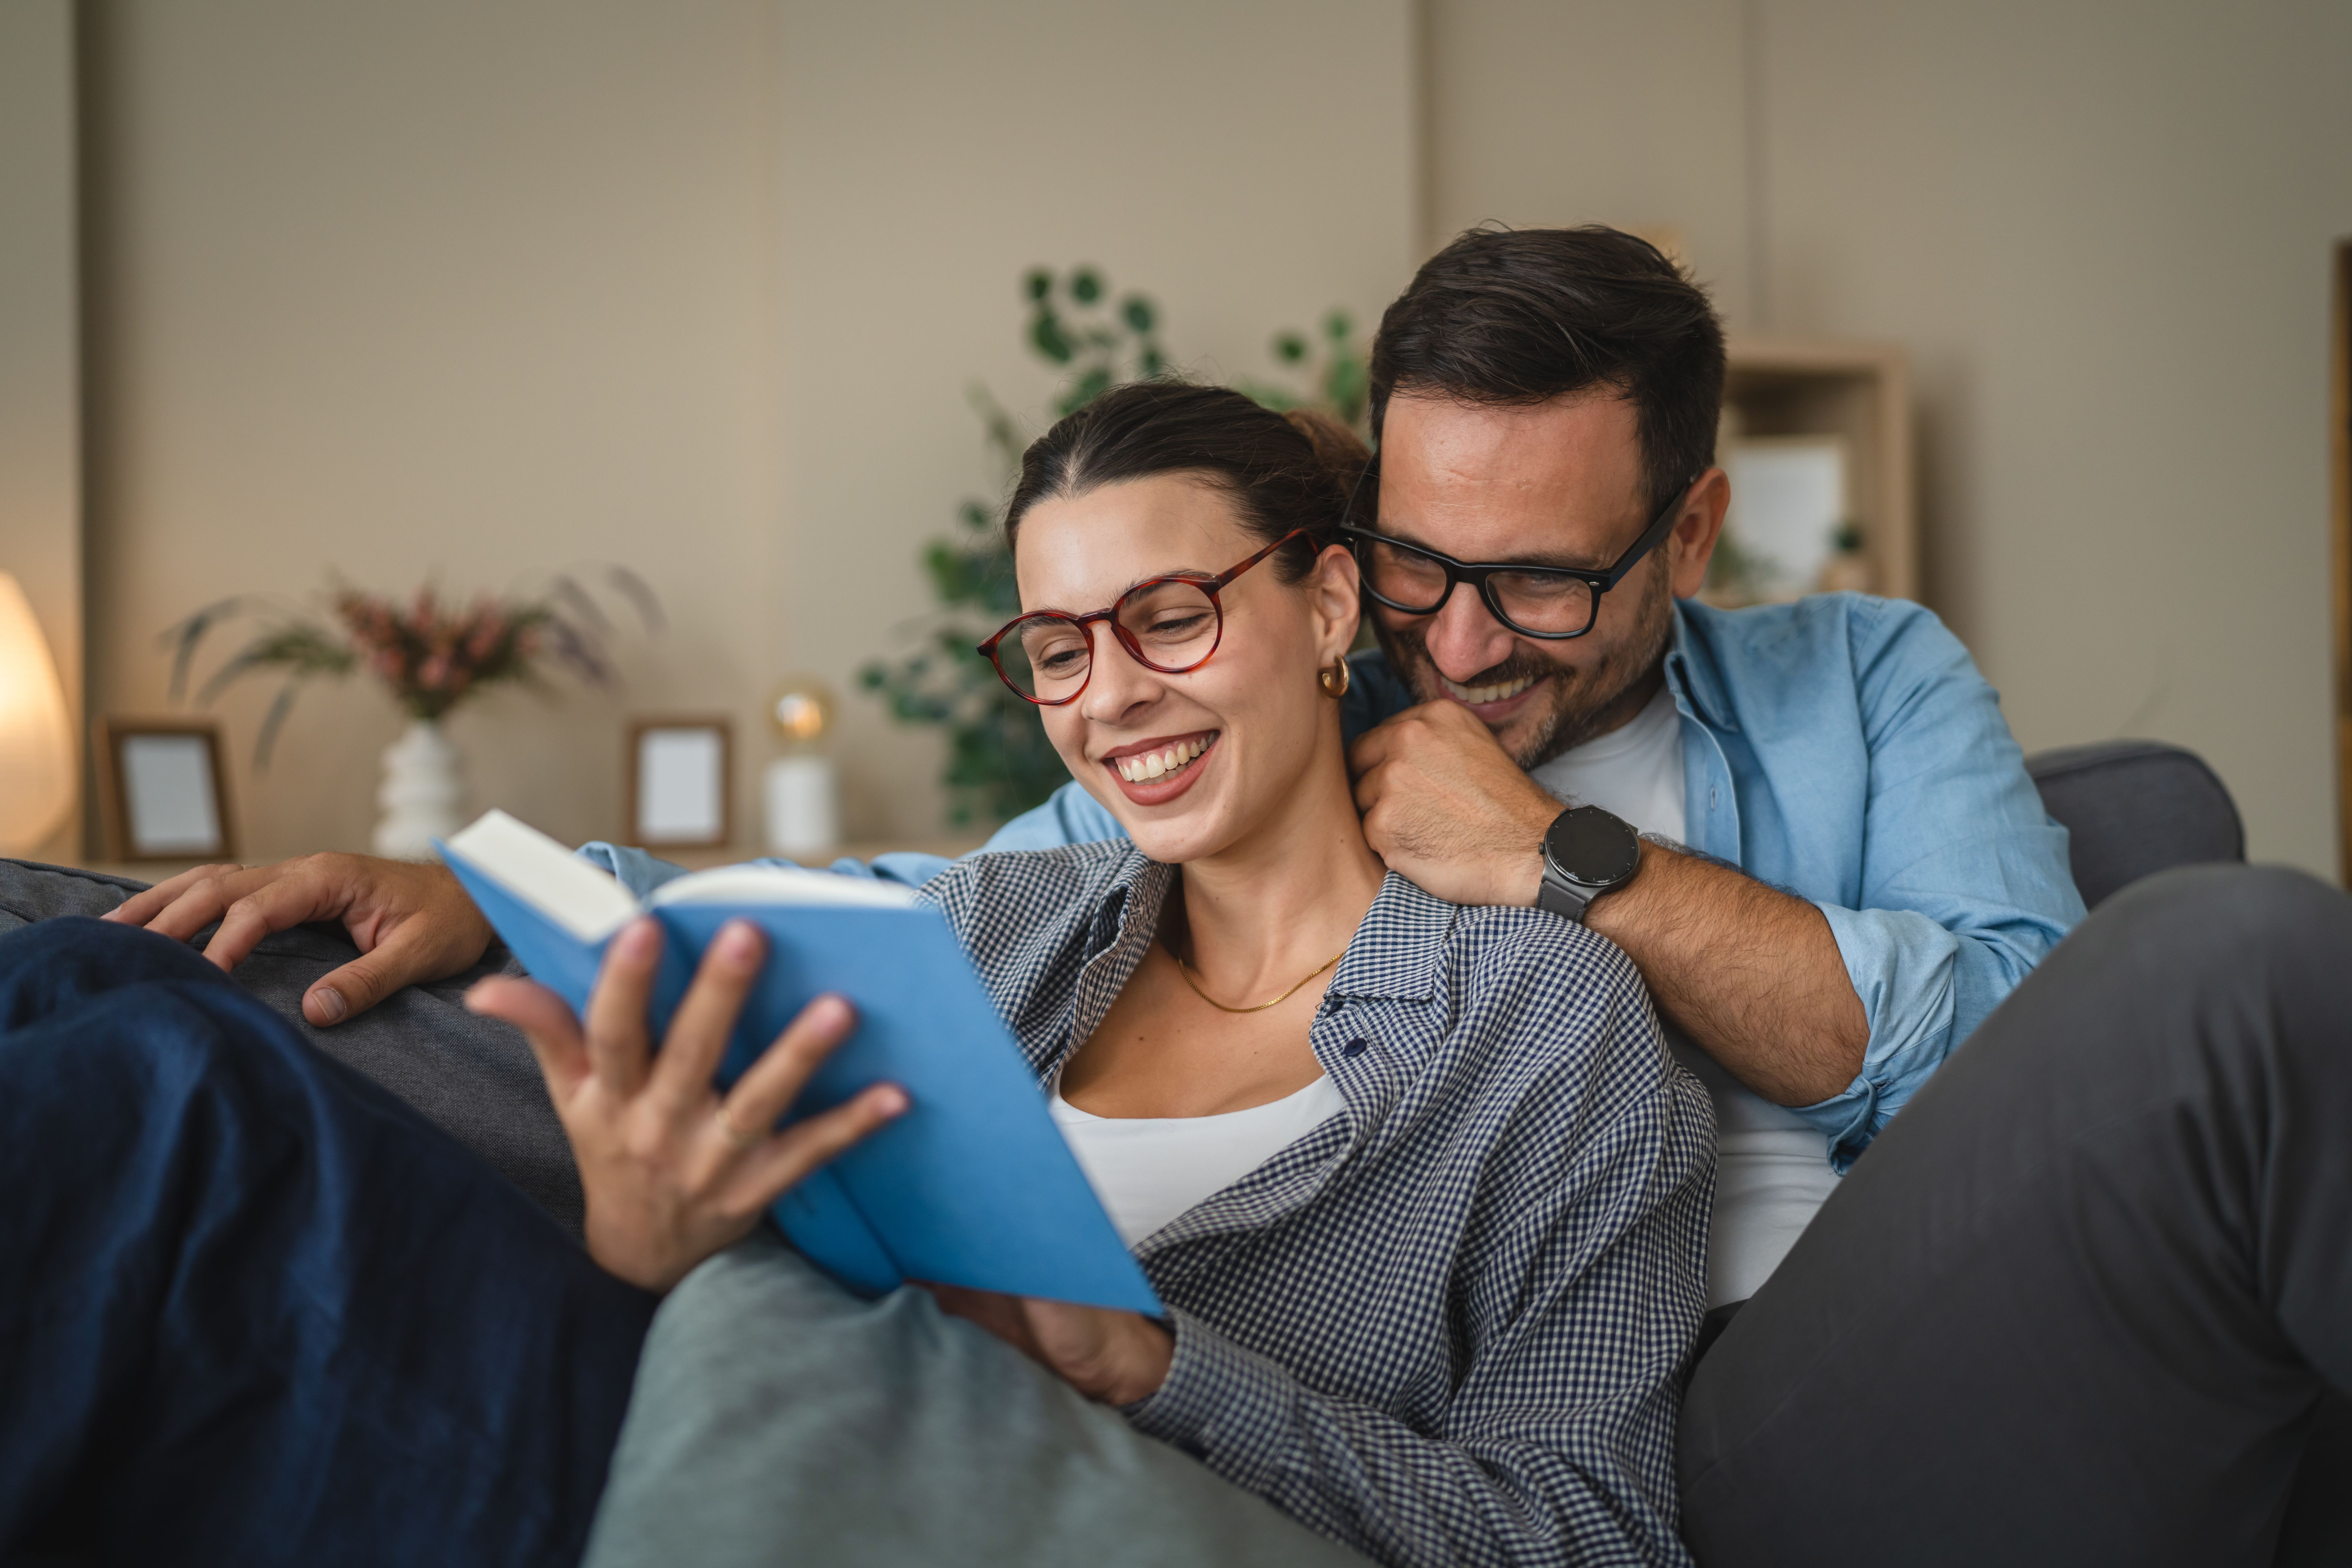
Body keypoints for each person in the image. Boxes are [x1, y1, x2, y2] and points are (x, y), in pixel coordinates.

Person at [94, 226, 2352, 1564]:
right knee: (133, 1061)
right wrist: (500, 885)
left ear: (1691, 533)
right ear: (1361, 540)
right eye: (1427, 569)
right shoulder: (1246, 747)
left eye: (1546, 581)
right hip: (1328, 1394)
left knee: (2239, 969)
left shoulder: (1861, 683)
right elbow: (911, 903)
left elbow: (2023, 1056)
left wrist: (1565, 863)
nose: (1461, 646)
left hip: (1819, 1342)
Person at [4, 382, 1711, 1567]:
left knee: (172, 1107)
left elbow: (1597, 1539)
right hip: (741, 1430)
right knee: (93, 985)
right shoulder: (1005, 926)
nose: (1111, 697)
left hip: (970, 1522)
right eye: (1059, 647)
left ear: (1330, 603)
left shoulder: (1548, 1035)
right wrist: (651, 1242)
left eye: (1171, 615)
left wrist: (1153, 1365)